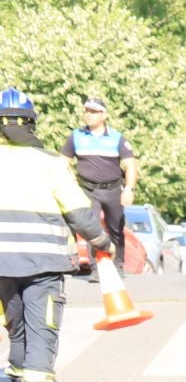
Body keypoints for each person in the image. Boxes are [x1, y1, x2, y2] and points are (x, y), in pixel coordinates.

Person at [1, 87, 114, 382]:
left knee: (15, 322)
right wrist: (102, 242)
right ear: (32, 123)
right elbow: (80, 214)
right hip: (43, 265)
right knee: (42, 331)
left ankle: (20, 374)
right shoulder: (51, 164)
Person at [59, 97, 136, 268]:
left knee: (116, 228)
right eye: (87, 111)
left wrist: (129, 189)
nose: (89, 115)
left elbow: (130, 165)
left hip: (113, 189)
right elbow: (62, 162)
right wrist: (68, 180)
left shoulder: (117, 138)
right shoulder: (76, 137)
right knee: (90, 226)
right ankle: (95, 267)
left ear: (104, 115)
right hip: (88, 190)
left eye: (94, 112)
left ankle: (118, 264)